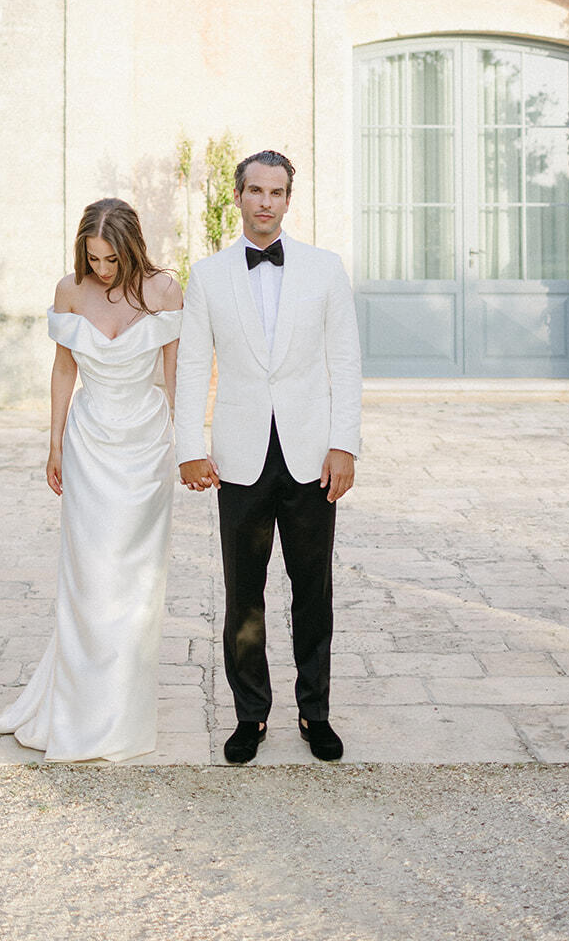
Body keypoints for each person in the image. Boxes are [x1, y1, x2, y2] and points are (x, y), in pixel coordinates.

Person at [0, 198, 182, 762]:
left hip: (146, 446)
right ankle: (78, 707)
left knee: (135, 580)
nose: (103, 270)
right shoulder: (69, 291)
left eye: (112, 259)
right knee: (89, 575)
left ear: (133, 249)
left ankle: (121, 714)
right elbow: (64, 367)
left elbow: (176, 372)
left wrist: (187, 444)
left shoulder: (164, 291)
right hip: (89, 444)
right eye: (93, 259)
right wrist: (54, 442)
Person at [174, 150, 361, 764]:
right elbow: (192, 365)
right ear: (239, 196)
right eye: (255, 190)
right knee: (243, 594)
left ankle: (315, 713)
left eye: (276, 192)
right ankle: (249, 716)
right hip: (239, 456)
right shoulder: (208, 275)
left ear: (288, 200)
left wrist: (344, 444)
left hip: (311, 454)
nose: (265, 202)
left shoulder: (325, 269)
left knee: (313, 592)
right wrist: (189, 448)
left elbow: (346, 362)